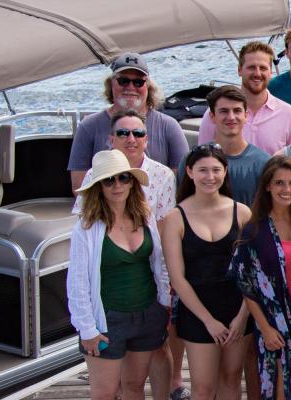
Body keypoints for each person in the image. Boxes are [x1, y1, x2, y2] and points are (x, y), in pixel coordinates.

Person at [70, 109, 182, 399]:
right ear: (98, 187)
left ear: (133, 181)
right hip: (107, 321)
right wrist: (87, 328)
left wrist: (163, 303)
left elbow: (158, 263)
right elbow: (78, 281)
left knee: (134, 387)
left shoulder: (144, 217)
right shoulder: (87, 227)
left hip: (147, 315)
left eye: (123, 178)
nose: (117, 185)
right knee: (105, 393)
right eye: (109, 181)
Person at [230, 156, 291, 400]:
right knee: (282, 391)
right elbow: (246, 283)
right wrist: (264, 328)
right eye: (279, 183)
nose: (287, 190)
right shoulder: (254, 229)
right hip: (275, 323)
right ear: (267, 186)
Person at [160, 145, 253, 400]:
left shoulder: (242, 213)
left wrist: (243, 316)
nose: (210, 177)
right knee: (202, 387)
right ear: (189, 172)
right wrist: (208, 321)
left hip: (237, 307)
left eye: (216, 170)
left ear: (225, 171)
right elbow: (177, 278)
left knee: (232, 379)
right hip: (198, 311)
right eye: (202, 170)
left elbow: (254, 271)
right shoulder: (175, 218)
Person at [67, 52, 188, 195]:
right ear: (111, 83)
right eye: (123, 81)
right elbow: (79, 187)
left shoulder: (170, 126)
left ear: (148, 87)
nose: (131, 87)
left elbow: (181, 183)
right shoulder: (88, 127)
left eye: (138, 82)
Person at [198, 42, 291, 155]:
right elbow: (203, 159)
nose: (257, 73)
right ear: (239, 70)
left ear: (270, 72)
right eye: (251, 67)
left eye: (263, 68)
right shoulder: (215, 114)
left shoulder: (289, 115)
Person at [73, 110, 176, 221]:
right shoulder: (94, 174)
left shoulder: (165, 176)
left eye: (138, 133)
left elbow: (165, 224)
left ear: (145, 140)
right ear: (111, 140)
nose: (131, 139)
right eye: (123, 133)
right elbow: (82, 217)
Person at [196, 86, 270, 205]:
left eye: (237, 111)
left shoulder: (264, 163)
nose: (231, 117)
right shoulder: (193, 161)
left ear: (246, 116)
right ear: (212, 117)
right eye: (224, 111)